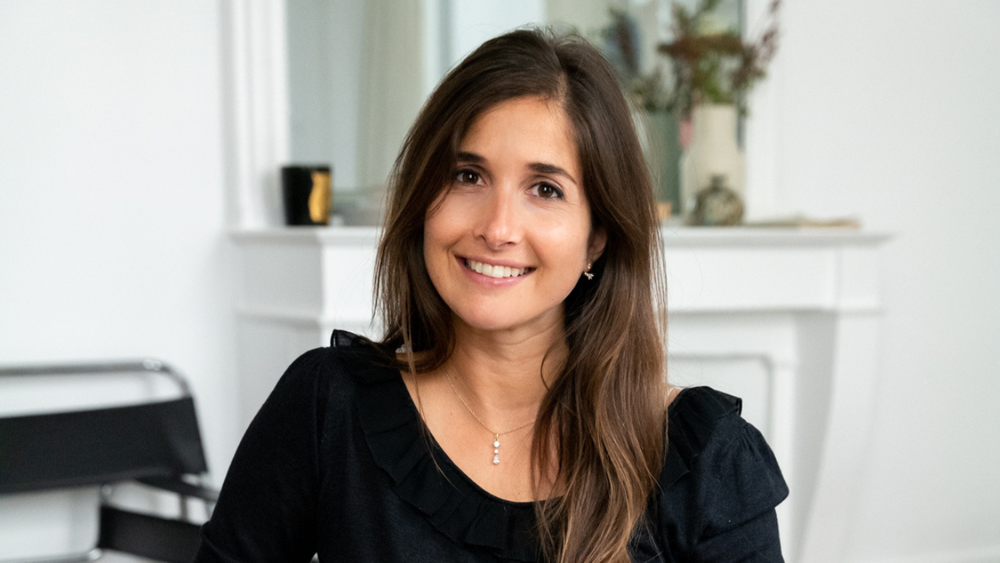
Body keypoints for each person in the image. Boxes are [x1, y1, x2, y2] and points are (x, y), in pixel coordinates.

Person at [195, 28, 787, 563]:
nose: (498, 228)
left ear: (597, 238)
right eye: (467, 176)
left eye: (545, 189)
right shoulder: (326, 405)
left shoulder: (710, 460)